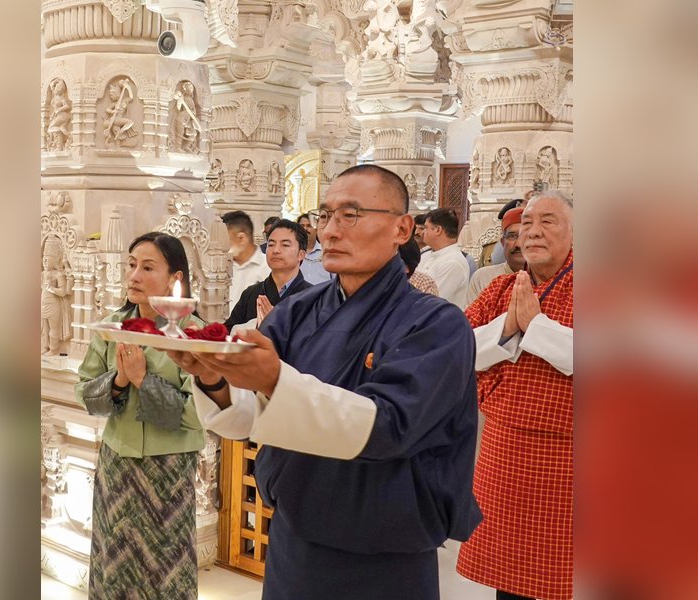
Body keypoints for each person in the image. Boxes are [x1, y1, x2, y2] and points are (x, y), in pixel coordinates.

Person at [168, 164, 481, 600]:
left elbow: (388, 426)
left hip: (385, 555)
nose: (331, 231)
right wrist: (214, 379)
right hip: (295, 539)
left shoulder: (436, 324)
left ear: (402, 228)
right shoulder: (297, 312)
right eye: (325, 215)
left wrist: (277, 380)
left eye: (350, 215)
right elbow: (249, 418)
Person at [75, 232, 205, 600]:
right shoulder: (112, 326)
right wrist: (118, 380)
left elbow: (197, 415)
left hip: (168, 472)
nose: (133, 275)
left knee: (166, 567)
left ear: (175, 279)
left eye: (148, 267)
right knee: (113, 563)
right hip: (117, 466)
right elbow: (86, 394)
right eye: (131, 265)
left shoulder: (194, 334)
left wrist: (143, 380)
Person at [457, 191, 574, 600]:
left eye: (548, 221)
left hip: (573, 458)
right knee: (511, 577)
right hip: (505, 452)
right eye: (526, 224)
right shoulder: (501, 288)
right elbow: (459, 350)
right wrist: (508, 326)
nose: (534, 232)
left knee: (571, 573)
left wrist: (537, 328)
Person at [225, 218, 312, 332]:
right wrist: (253, 326)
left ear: (301, 254)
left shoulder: (313, 297)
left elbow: (317, 343)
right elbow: (227, 333)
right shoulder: (251, 294)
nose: (275, 250)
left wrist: (277, 324)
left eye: (285, 245)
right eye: (271, 244)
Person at [466, 207, 525, 306]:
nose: (518, 244)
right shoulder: (483, 278)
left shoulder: (546, 279)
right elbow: (470, 319)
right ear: (502, 242)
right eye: (512, 236)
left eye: (525, 236)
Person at [416, 208, 470, 309]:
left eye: (426, 228)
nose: (423, 232)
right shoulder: (425, 256)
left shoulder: (453, 262)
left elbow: (432, 301)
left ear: (438, 230)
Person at [222, 210, 270, 311]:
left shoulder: (268, 268)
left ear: (241, 238)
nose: (221, 246)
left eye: (225, 240)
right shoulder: (221, 268)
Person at [297, 212, 333, 284]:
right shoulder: (292, 253)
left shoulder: (327, 252)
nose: (305, 229)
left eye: (309, 226)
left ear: (316, 228)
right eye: (302, 226)